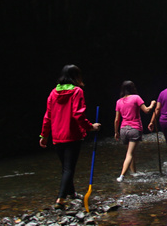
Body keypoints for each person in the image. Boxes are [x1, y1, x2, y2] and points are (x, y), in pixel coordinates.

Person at [40, 64, 102, 209]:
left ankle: (71, 193)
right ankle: (60, 199)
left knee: (65, 167)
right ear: (76, 77)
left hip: (57, 135)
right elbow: (78, 114)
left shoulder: (53, 93)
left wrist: (44, 135)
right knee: (69, 168)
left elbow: (48, 116)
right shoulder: (77, 91)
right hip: (72, 134)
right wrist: (90, 126)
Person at [114, 80, 156, 182]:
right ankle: (122, 176)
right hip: (134, 128)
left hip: (123, 129)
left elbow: (116, 120)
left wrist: (116, 132)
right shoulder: (136, 98)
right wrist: (152, 104)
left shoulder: (119, 101)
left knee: (131, 152)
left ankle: (133, 173)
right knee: (130, 154)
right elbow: (146, 110)